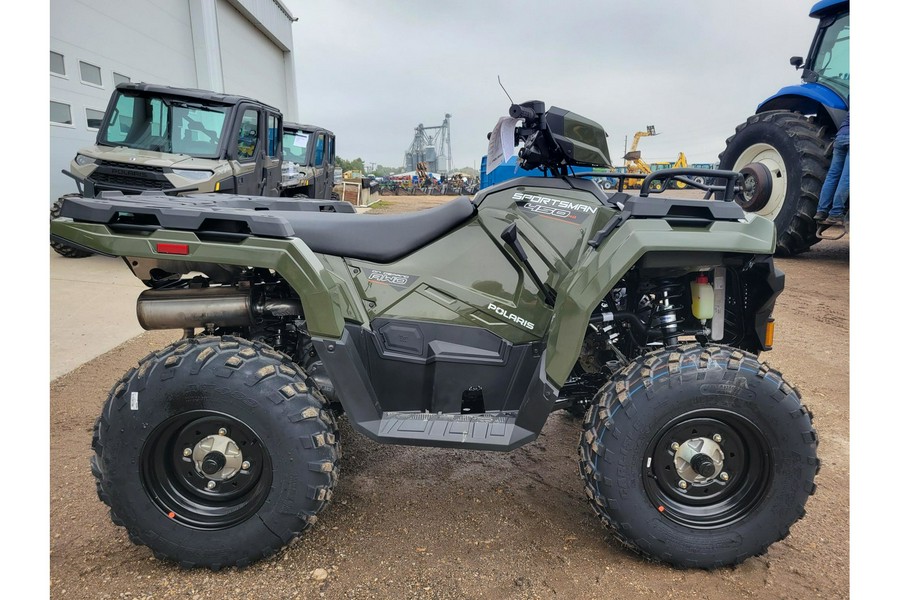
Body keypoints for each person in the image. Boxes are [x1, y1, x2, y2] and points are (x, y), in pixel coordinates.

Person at [814, 114, 849, 226]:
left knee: (832, 176)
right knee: (847, 177)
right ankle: (836, 212)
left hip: (841, 136)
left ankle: (821, 210)